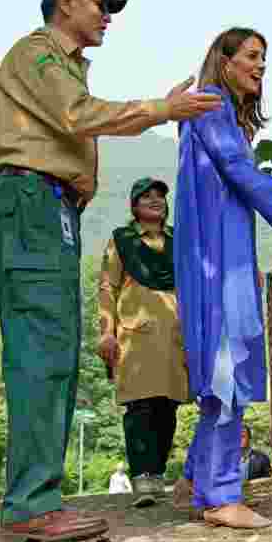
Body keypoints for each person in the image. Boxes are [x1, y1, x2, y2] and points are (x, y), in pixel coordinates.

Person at [0, 0, 223, 542]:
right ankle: (29, 507)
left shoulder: (64, 65)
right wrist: (162, 110)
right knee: (41, 352)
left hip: (53, 206)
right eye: (100, 4)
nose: (108, 16)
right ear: (66, 2)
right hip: (33, 201)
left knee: (56, 356)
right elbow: (80, 118)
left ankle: (37, 500)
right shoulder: (36, 54)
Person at [173, 27, 272, 529]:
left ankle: (197, 477)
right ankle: (219, 496)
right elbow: (239, 171)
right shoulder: (211, 103)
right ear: (225, 60)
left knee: (224, 364)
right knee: (226, 368)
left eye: (265, 58)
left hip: (219, 254)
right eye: (253, 56)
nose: (261, 66)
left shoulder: (212, 112)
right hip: (218, 259)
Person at [98, 177, 189, 509]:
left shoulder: (179, 239)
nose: (155, 201)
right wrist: (106, 331)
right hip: (135, 336)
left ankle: (157, 472)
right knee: (140, 407)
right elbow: (108, 286)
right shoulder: (121, 240)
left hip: (174, 335)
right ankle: (142, 479)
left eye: (160, 197)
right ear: (134, 206)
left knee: (168, 406)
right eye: (146, 196)